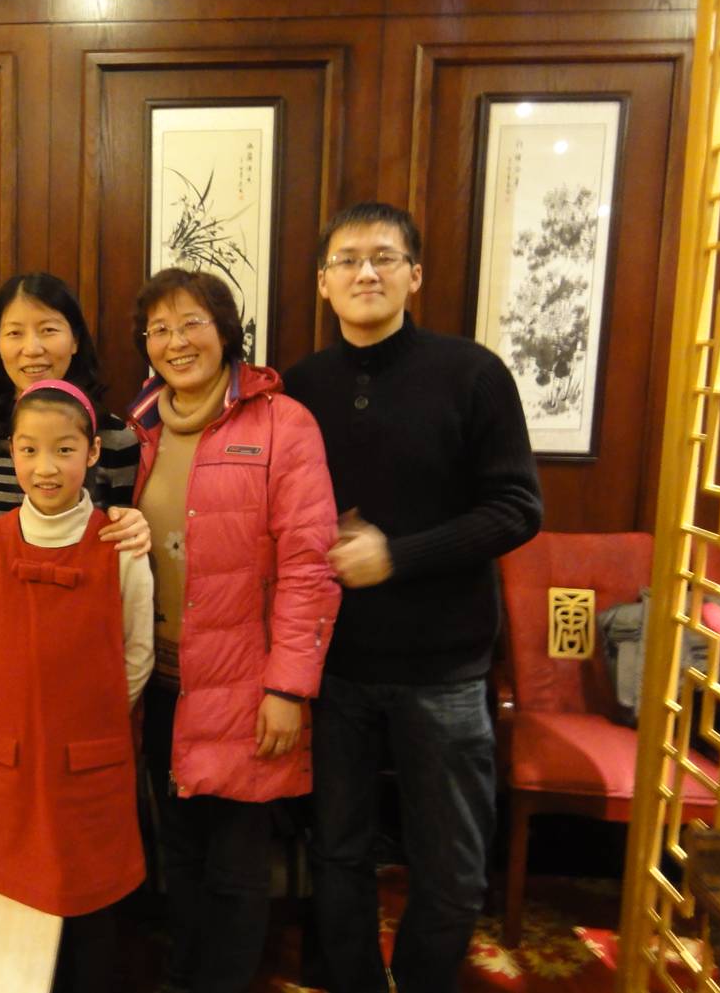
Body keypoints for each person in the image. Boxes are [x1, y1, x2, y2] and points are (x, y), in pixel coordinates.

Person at [283, 202, 543, 993]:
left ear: (414, 275)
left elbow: (517, 508)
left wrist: (397, 555)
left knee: (452, 864)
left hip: (445, 668)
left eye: (384, 257)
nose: (366, 272)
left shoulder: (471, 373)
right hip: (333, 667)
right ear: (323, 283)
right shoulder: (298, 387)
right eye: (348, 259)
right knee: (337, 848)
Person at [128, 268, 340, 993]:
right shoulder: (138, 429)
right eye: (158, 328)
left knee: (237, 867)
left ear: (225, 330)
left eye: (190, 322)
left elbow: (310, 568)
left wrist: (287, 685)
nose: (175, 340)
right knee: (177, 854)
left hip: (246, 687)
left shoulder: (284, 423)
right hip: (162, 682)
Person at [0, 379, 154, 993]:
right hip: (8, 752)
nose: (47, 468)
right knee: (10, 897)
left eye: (65, 450)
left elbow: (138, 651)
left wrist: (91, 715)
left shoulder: (118, 544)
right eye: (30, 450)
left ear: (93, 453)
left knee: (89, 906)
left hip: (91, 757)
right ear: (11, 453)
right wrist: (18, 710)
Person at [0, 271, 148, 603]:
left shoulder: (114, 438)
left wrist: (136, 527)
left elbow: (121, 544)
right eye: (15, 332)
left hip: (83, 617)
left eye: (49, 330)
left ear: (75, 340)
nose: (32, 348)